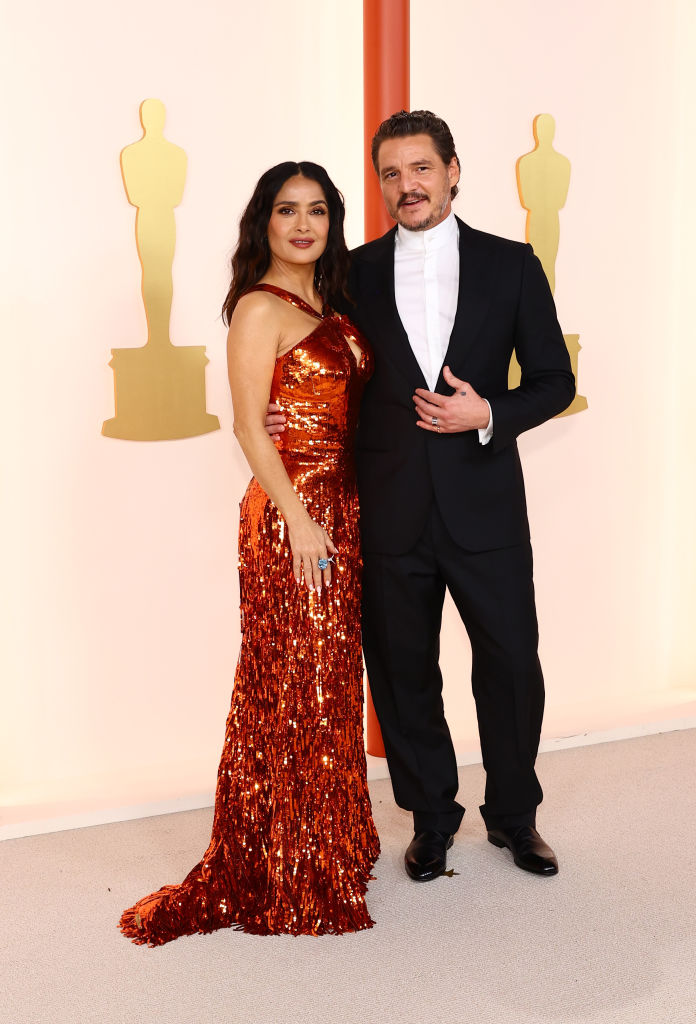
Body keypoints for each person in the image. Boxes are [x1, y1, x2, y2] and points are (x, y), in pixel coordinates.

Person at [267, 110, 575, 883]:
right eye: (392, 174)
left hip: (486, 508)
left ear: (453, 171)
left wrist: (490, 414)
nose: (408, 185)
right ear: (380, 187)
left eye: (422, 169)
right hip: (389, 506)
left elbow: (555, 382)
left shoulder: (513, 264)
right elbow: (314, 358)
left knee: (510, 665)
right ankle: (431, 818)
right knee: (404, 673)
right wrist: (284, 410)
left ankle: (513, 817)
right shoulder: (352, 273)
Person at [119, 161, 379, 945]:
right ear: (262, 223)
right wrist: (300, 518)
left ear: (332, 223)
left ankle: (325, 846)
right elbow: (246, 427)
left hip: (342, 510)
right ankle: (284, 864)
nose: (303, 225)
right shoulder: (259, 310)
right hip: (291, 517)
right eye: (286, 211)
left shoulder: (329, 300)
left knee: (329, 682)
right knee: (291, 686)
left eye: (318, 212)